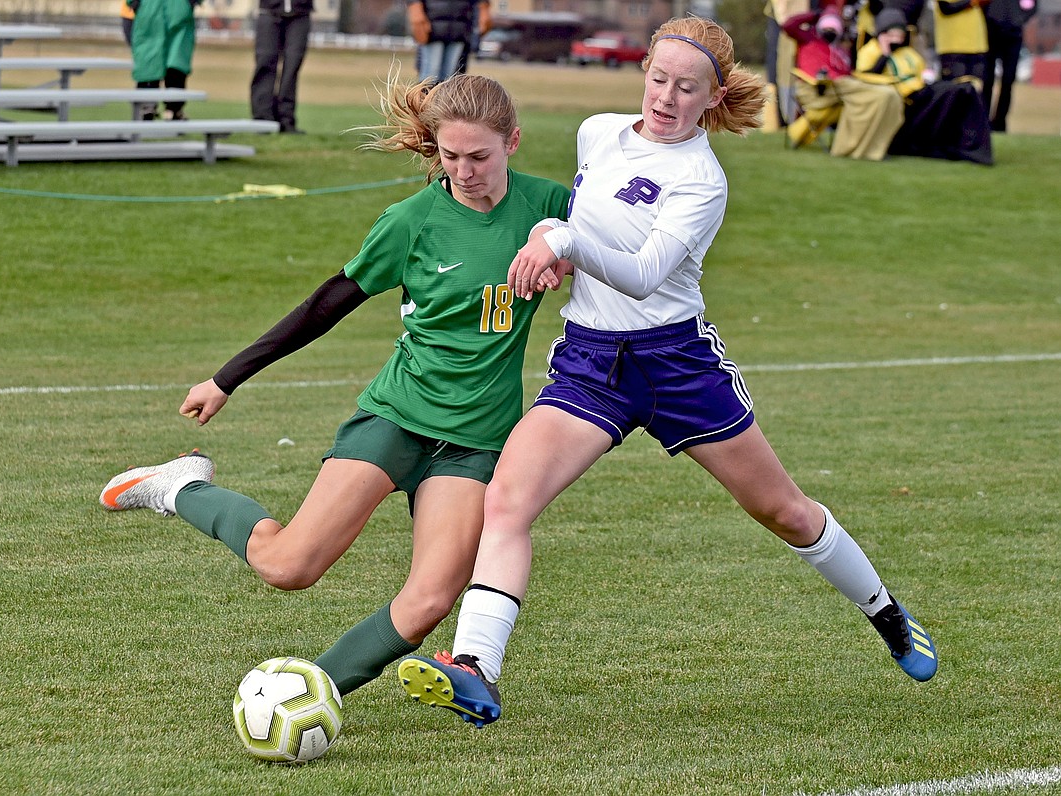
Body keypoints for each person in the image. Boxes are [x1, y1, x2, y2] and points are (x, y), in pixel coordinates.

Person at [398, 16, 938, 730]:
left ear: (712, 97)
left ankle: (886, 612)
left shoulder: (701, 180)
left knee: (785, 512)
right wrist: (554, 247)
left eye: (687, 88)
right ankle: (473, 667)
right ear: (644, 73)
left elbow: (646, 274)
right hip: (591, 365)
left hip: (678, 366)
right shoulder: (598, 133)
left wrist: (563, 238)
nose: (666, 97)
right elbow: (587, 233)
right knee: (508, 501)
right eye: (658, 79)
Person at [99, 74, 571, 701]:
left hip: (478, 441)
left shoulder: (552, 206)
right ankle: (180, 487)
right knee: (288, 565)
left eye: (479, 156)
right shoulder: (413, 221)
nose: (463, 172)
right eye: (449, 156)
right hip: (397, 417)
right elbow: (328, 303)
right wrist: (226, 377)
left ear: (513, 141)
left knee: (430, 600)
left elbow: (620, 256)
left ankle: (310, 694)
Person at [858, 8, 993, 163]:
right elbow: (866, 77)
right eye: (891, 34)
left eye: (899, 34)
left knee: (964, 90)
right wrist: (884, 54)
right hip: (904, 98)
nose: (896, 38)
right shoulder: (869, 51)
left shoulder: (907, 53)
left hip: (922, 91)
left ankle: (971, 147)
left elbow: (922, 72)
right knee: (954, 92)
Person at [782, 7, 905, 160]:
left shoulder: (839, 52)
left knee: (893, 96)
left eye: (833, 28)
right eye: (826, 27)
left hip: (843, 86)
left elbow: (848, 74)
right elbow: (788, 25)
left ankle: (875, 150)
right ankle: (853, 150)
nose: (829, 31)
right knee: (883, 96)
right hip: (819, 88)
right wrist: (816, 15)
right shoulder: (808, 39)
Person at [128, 0, 201, 121]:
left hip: (155, 9)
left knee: (168, 61)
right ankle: (169, 108)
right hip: (164, 9)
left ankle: (154, 107)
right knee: (168, 59)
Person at [250, 0, 313, 134]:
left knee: (292, 67)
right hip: (269, 11)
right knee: (265, 62)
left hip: (300, 13)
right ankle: (262, 119)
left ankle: (286, 120)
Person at [982, 0, 1037, 131]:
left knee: (1008, 81)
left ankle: (1000, 122)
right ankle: (983, 120)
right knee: (987, 79)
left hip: (1013, 34)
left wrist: (1019, 19)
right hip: (991, 31)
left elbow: (1032, 6)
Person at [406, 0, 492, 84]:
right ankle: (424, 97)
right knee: (430, 76)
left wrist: (484, 7)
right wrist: (415, 7)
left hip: (459, 27)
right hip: (432, 27)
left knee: (450, 78)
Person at [933, 0, 989, 86]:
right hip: (953, 47)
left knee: (976, 89)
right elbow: (945, 8)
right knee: (954, 89)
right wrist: (971, 2)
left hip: (977, 45)